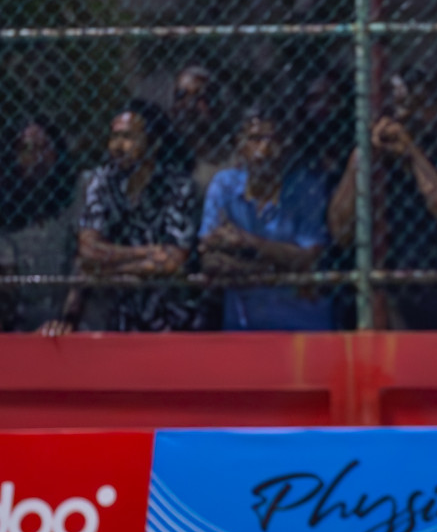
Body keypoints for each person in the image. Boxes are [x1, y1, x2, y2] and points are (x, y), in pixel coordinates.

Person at [326, 68, 437, 329]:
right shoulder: (351, 151)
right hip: (374, 294)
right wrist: (361, 156)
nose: (404, 117)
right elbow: (340, 231)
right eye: (394, 109)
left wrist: (413, 155)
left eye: (417, 106)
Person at [62, 101, 200, 333]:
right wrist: (147, 253)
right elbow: (88, 250)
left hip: (171, 316)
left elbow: (174, 259)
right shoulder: (101, 182)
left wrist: (108, 269)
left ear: (153, 143)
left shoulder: (178, 186)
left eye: (128, 137)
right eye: (114, 137)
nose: (117, 146)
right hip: (117, 317)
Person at [199, 111, 334, 331]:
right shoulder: (224, 184)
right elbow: (210, 259)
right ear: (239, 145)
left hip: (300, 322)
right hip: (243, 324)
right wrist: (274, 265)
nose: (265, 149)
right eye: (255, 139)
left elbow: (309, 259)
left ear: (286, 147)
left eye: (274, 140)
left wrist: (246, 242)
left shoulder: (305, 188)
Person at [0, 117, 77, 332]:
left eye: (44, 147)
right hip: (18, 325)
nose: (37, 157)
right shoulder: (7, 219)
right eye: (27, 149)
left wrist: (67, 320)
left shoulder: (73, 202)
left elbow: (81, 268)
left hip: (65, 321)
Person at [168, 64, 232, 195]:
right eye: (181, 95)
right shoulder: (169, 156)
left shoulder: (233, 159)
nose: (189, 104)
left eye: (199, 96)